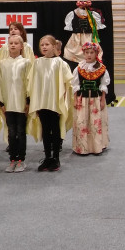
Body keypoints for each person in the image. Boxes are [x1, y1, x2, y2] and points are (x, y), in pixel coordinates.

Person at [28, 35, 73, 172]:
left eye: (47, 44)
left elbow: (67, 83)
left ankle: (56, 158)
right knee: (45, 130)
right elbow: (32, 83)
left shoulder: (60, 63)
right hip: (42, 102)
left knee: (55, 129)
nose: (44, 47)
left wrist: (63, 102)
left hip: (55, 103)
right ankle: (47, 157)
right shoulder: (37, 63)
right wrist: (34, 102)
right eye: (42, 45)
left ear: (54, 46)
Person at [0, 35, 32, 173]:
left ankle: (21, 160)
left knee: (21, 132)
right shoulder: (2, 64)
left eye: (16, 43)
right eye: (11, 43)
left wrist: (28, 102)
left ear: (21, 46)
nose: (13, 45)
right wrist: (1, 103)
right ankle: (12, 159)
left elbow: (29, 82)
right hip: (8, 104)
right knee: (11, 132)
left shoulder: (26, 62)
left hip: (21, 104)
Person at [72, 42, 109, 156]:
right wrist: (75, 99)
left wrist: (103, 99)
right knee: (82, 122)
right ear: (83, 53)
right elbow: (75, 85)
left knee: (95, 123)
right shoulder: (79, 68)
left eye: (91, 52)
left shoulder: (101, 69)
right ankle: (83, 147)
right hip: (82, 99)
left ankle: (96, 146)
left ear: (96, 53)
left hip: (96, 99)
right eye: (87, 52)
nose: (89, 55)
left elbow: (103, 85)